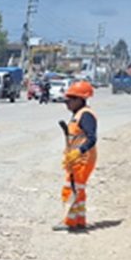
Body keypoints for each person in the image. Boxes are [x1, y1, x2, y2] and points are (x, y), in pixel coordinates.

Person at [55, 80, 97, 232]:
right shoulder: (79, 114)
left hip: (82, 158)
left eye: (70, 100)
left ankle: (70, 222)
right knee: (78, 189)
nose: (67, 104)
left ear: (80, 99)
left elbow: (92, 138)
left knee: (71, 189)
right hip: (77, 158)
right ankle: (79, 220)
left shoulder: (85, 115)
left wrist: (78, 152)